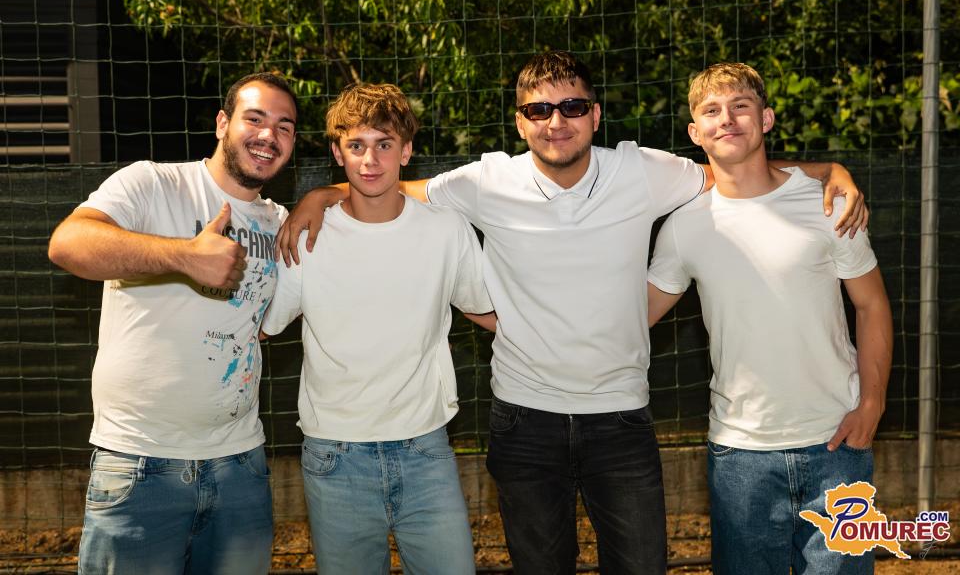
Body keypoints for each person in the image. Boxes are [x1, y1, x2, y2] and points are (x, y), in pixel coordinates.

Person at [275, 52, 868, 574]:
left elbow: (736, 168)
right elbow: (389, 184)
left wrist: (828, 171)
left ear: (595, 115)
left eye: (572, 106)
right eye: (538, 110)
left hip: (621, 419)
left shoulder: (643, 171)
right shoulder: (486, 181)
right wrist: (322, 193)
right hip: (524, 420)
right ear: (520, 122)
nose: (555, 121)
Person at [646, 62, 893, 574]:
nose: (726, 119)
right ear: (694, 132)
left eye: (740, 106)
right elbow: (633, 317)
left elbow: (871, 305)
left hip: (837, 444)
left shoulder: (829, 204)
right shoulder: (684, 227)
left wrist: (872, 403)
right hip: (741, 456)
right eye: (711, 110)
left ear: (766, 119)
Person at [47, 72, 298, 574]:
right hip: (141, 464)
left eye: (284, 126)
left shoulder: (278, 222)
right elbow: (68, 244)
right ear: (222, 123)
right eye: (254, 118)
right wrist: (185, 256)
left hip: (240, 466)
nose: (268, 135)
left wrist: (321, 197)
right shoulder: (152, 183)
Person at [260, 83, 494, 574]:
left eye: (384, 144)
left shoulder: (446, 230)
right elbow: (264, 327)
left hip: (425, 447)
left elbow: (487, 311)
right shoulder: (306, 236)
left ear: (406, 151)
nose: (370, 160)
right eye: (356, 145)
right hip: (335, 454)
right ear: (337, 153)